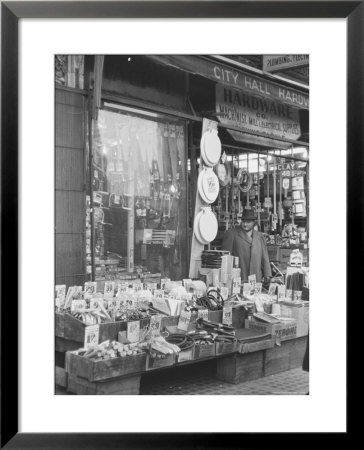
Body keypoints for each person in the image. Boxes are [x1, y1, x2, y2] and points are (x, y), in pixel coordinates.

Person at [222, 208, 272, 283]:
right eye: (243, 221)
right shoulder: (232, 234)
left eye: (248, 222)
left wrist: (267, 274)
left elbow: (265, 257)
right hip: (239, 277)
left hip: (256, 278)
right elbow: (225, 258)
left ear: (253, 223)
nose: (245, 224)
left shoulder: (260, 236)